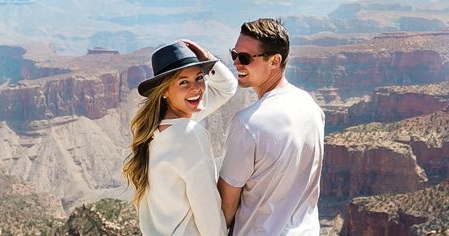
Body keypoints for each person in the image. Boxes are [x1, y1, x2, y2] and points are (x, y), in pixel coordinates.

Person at [217, 19, 326, 235]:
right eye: (234, 55)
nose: (236, 63)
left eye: (245, 57)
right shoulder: (311, 107)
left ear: (275, 61)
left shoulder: (248, 123)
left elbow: (225, 206)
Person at [126, 40, 237, 236]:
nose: (196, 89)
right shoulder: (188, 134)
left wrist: (207, 59)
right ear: (164, 91)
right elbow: (207, 210)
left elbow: (227, 87)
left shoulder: (153, 129)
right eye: (183, 82)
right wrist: (208, 58)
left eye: (199, 78)